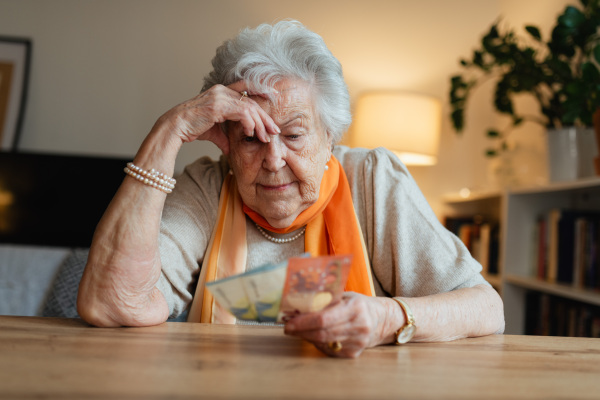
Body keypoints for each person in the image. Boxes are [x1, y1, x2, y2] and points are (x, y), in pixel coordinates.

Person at [77, 20, 504, 358]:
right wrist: (168, 132)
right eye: (250, 137)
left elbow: (486, 308)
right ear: (224, 140)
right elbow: (111, 304)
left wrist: (388, 317)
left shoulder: (372, 179)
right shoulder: (206, 188)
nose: (274, 159)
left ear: (330, 137)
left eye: (294, 136)